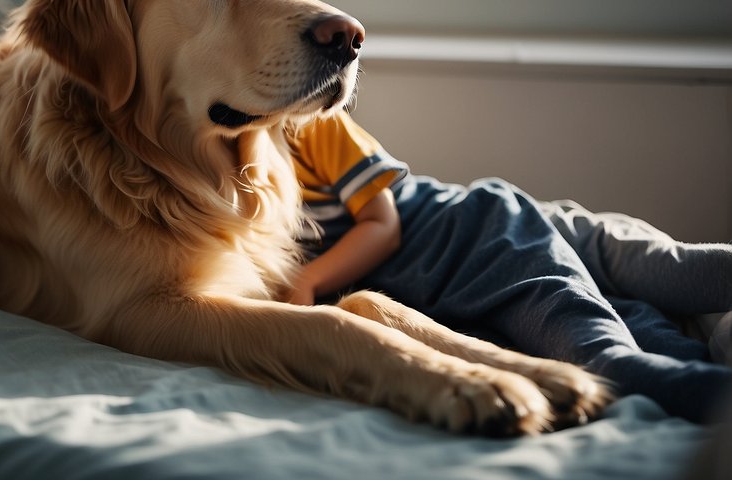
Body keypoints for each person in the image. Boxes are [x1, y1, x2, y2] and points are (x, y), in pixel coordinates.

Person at [287, 111, 732, 424]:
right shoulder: (228, 184)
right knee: (638, 325)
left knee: (619, 328)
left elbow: (384, 227)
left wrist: (309, 281)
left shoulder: (310, 123)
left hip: (483, 232)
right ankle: (695, 373)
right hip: (479, 259)